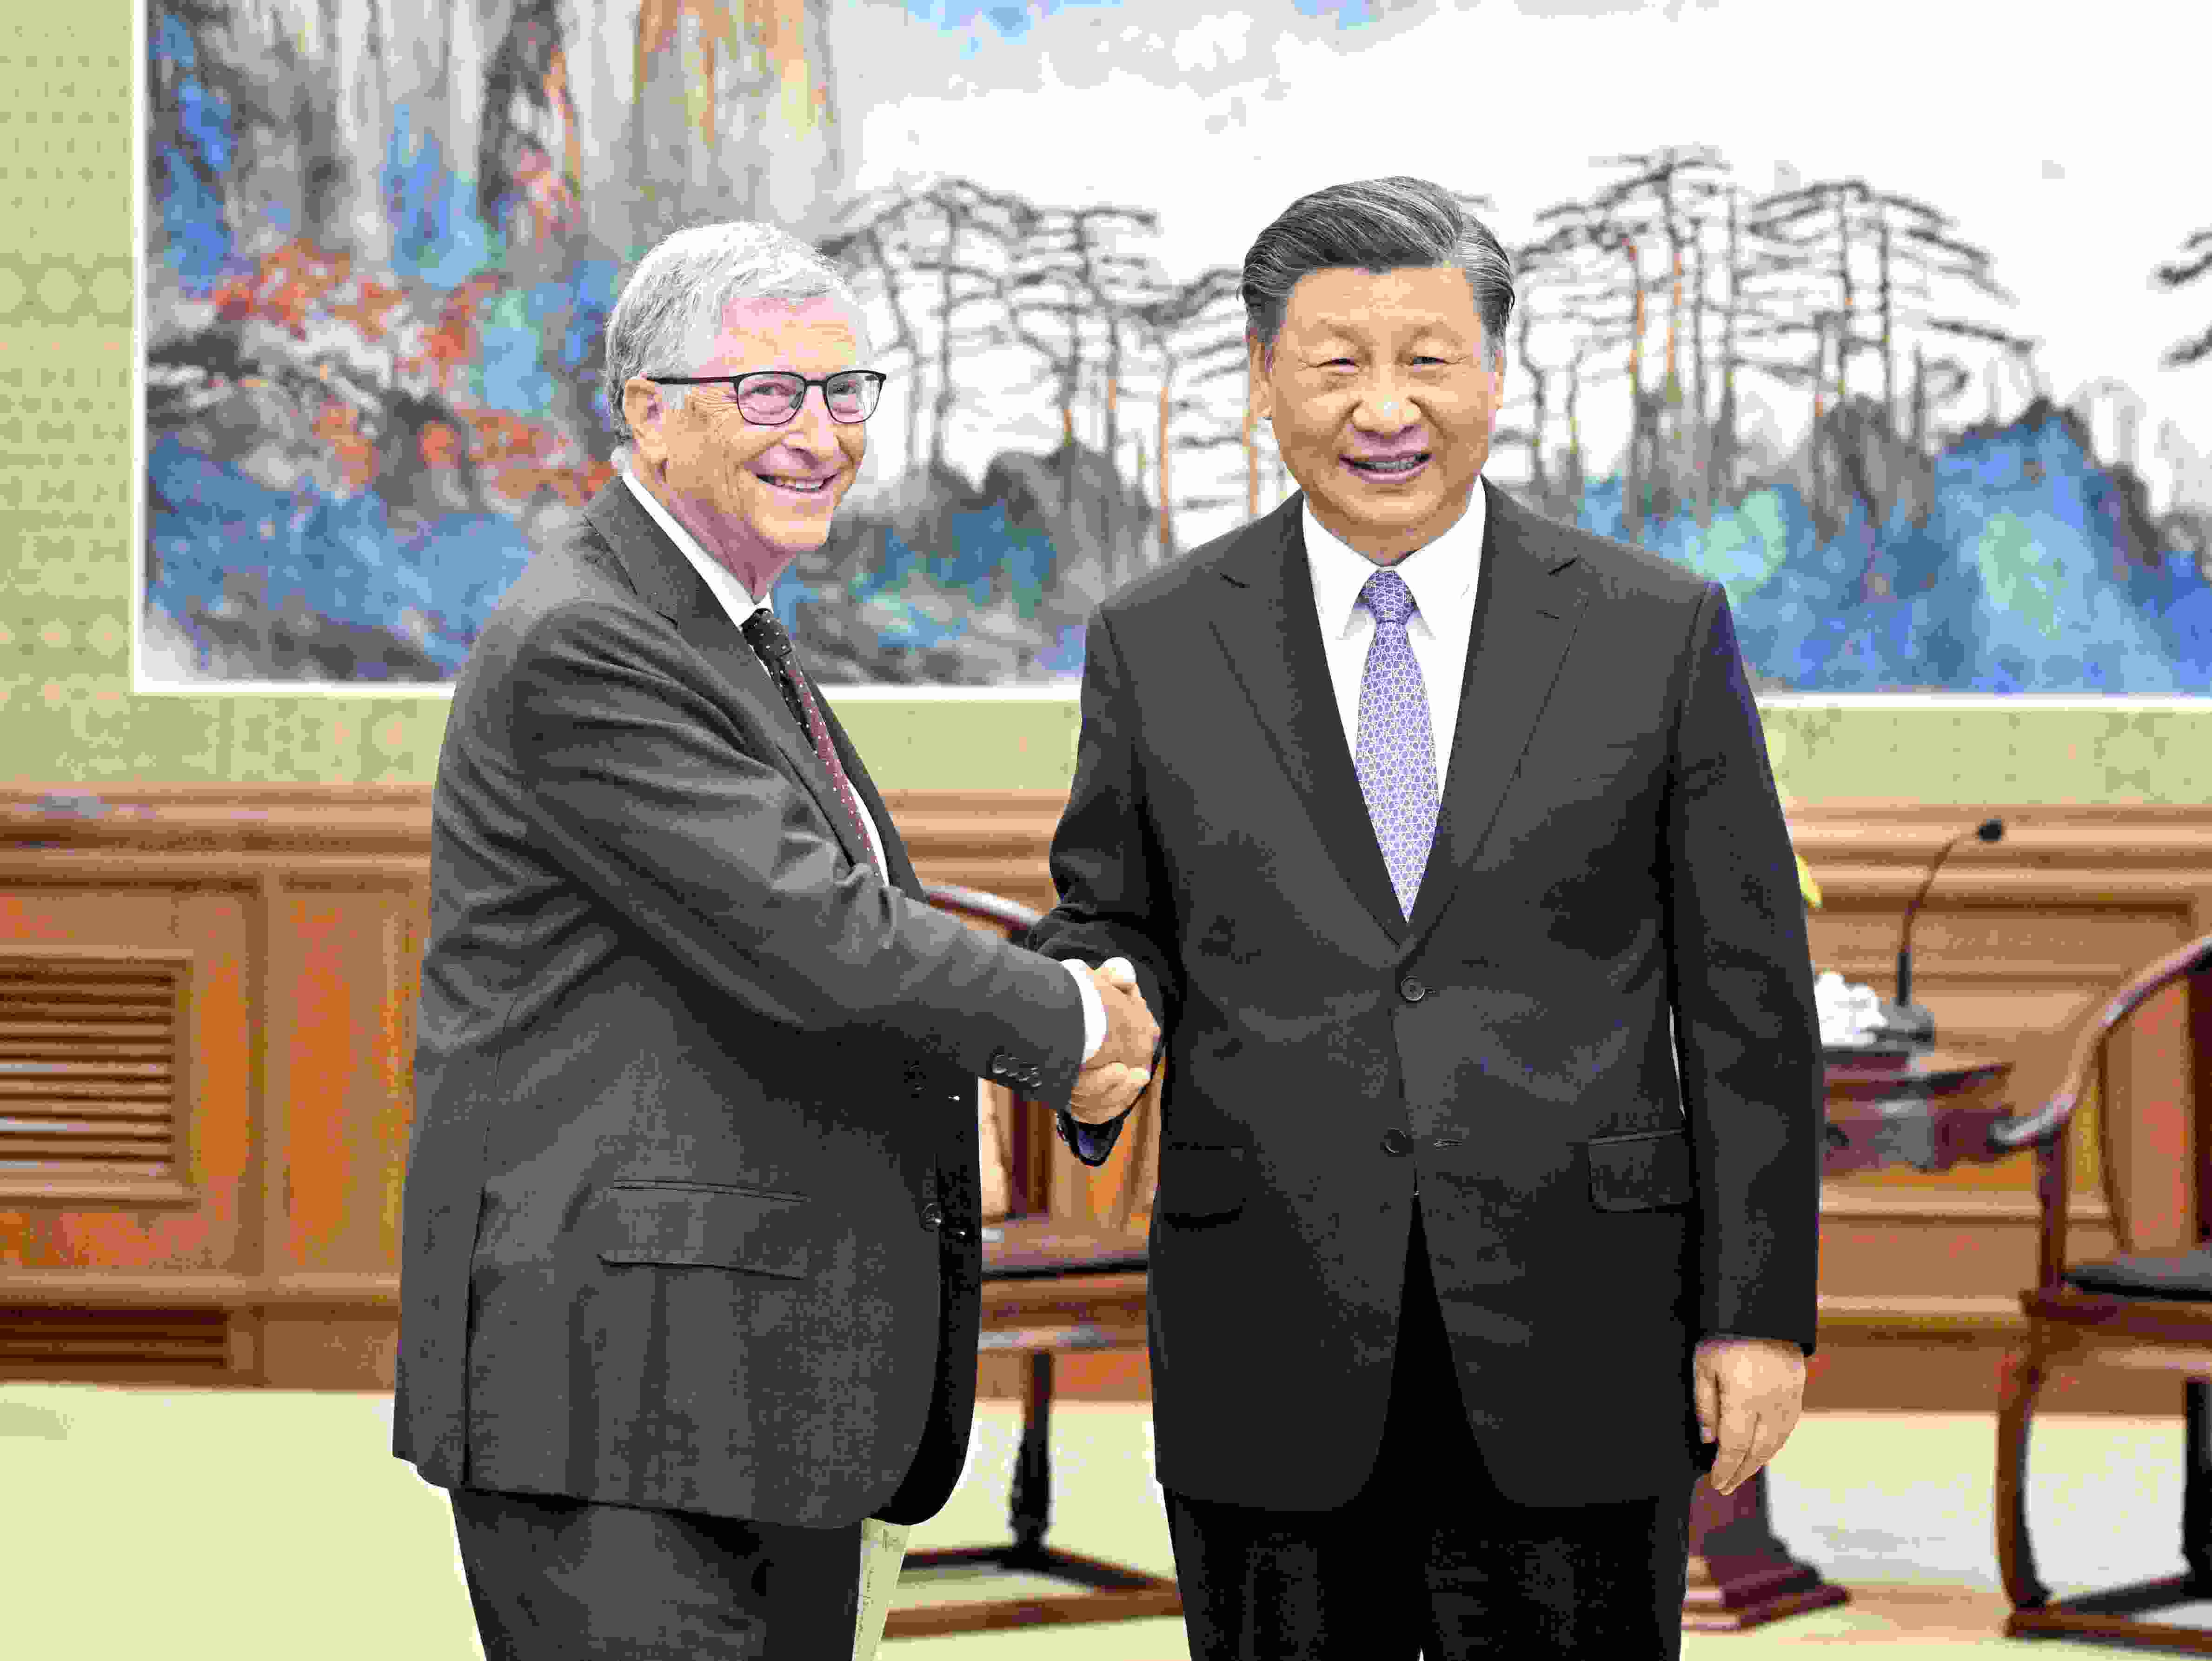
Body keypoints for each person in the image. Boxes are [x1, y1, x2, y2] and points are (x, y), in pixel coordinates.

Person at [1024, 176, 1823, 1660]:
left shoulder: (1656, 630)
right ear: (1265, 380)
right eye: (1337, 362)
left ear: (1496, 376)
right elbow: (1114, 917)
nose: (1384, 408)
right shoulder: (1156, 639)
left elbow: (1748, 1004)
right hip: (1270, 1326)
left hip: (1581, 1331)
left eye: (1428, 360)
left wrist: (1757, 1312)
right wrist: (1092, 1007)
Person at [390, 220, 1158, 1661]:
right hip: (621, 1404)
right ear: (649, 412)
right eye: (769, 394)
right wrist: (1073, 1026)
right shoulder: (589, 638)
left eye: (845, 390)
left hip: (747, 1387)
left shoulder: (718, 624)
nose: (820, 434)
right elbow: (823, 936)